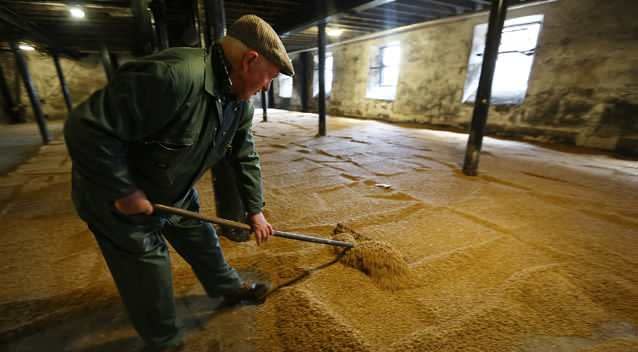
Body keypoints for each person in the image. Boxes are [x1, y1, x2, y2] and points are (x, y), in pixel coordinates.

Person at [64, 14, 294, 352]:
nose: (266, 87)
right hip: (115, 197)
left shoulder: (239, 104)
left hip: (173, 190)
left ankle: (228, 288)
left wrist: (255, 210)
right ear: (249, 60)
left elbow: (244, 156)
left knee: (203, 242)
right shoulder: (172, 77)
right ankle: (165, 342)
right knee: (148, 271)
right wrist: (123, 191)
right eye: (269, 78)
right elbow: (86, 127)